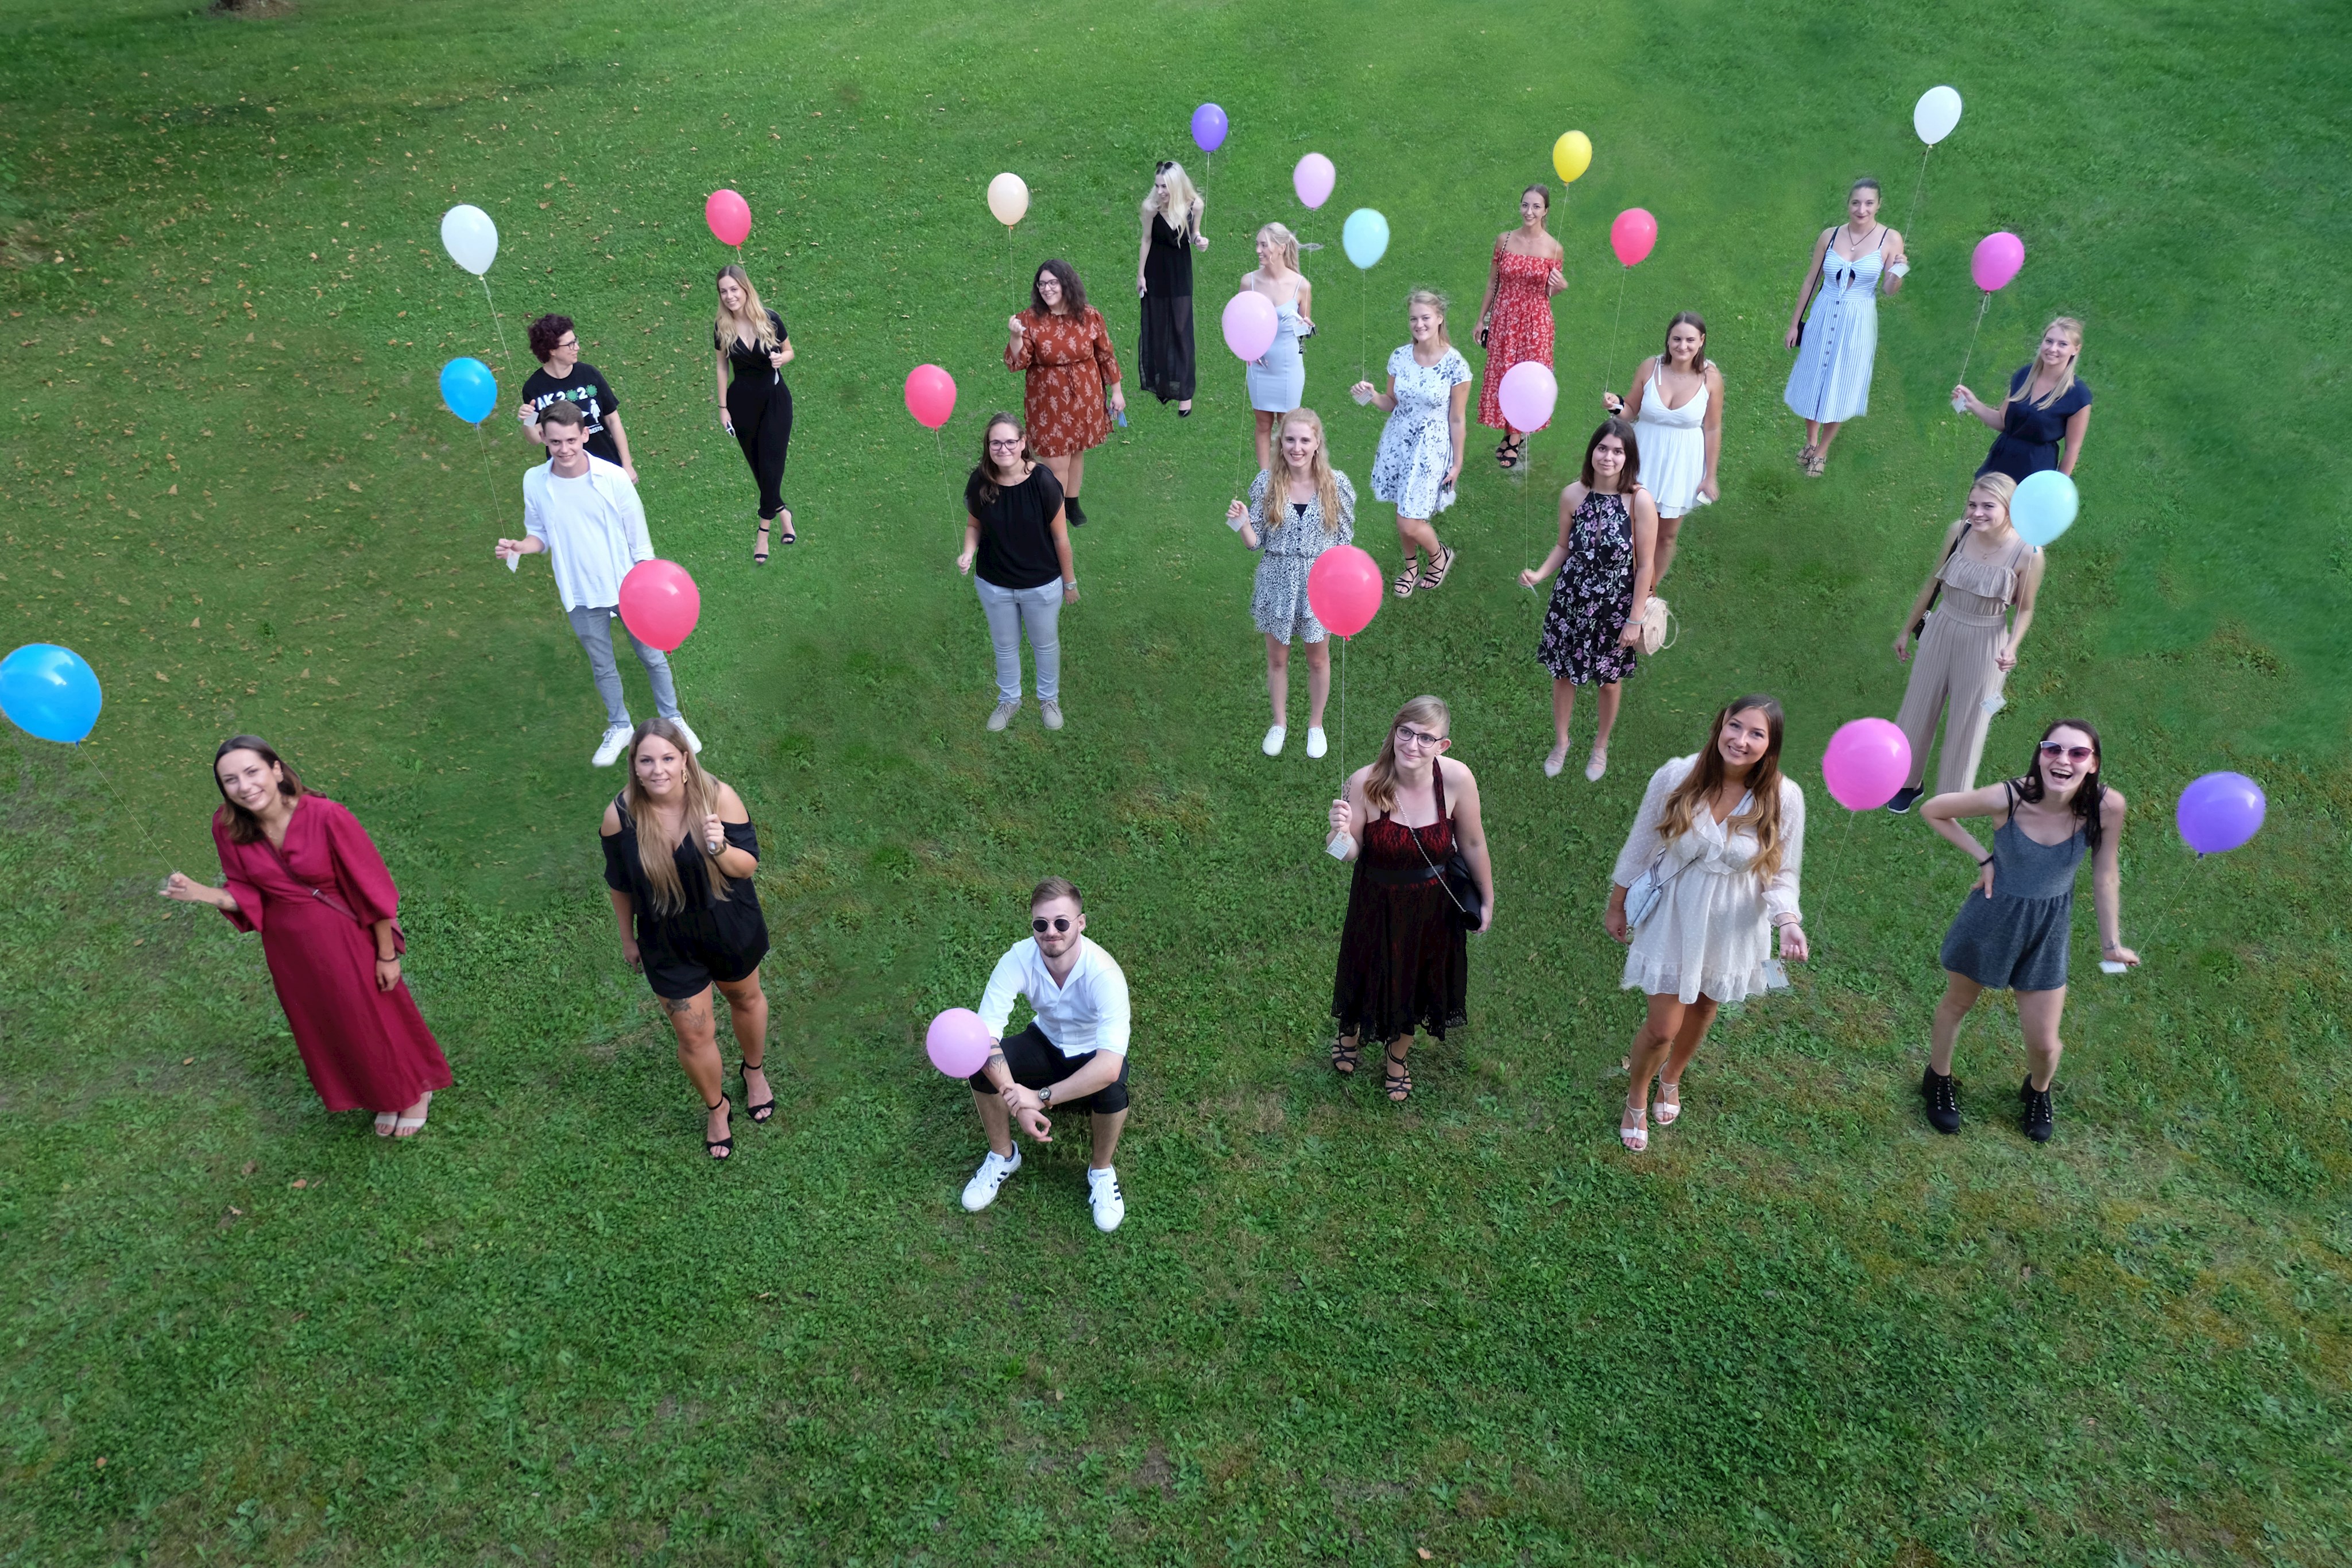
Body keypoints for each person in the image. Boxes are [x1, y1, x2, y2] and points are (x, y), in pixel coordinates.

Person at [162, 737, 451, 1137]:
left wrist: (387, 955)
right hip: (289, 949)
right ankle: (385, 1093)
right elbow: (246, 890)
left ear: (276, 769)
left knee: (374, 1017)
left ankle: (415, 1092)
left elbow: (372, 888)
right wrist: (199, 892)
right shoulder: (226, 826)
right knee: (331, 1024)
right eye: (230, 780)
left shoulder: (328, 816)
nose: (244, 787)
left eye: (252, 772)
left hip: (343, 937)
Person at [1604, 697, 1808, 1152]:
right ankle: (1637, 1098)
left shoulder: (1784, 796)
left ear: (1771, 745)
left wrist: (1788, 921)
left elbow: (1782, 873)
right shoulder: (1677, 775)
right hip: (1675, 912)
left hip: (1733, 921)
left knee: (1705, 1006)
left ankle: (1671, 1077)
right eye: (1735, 726)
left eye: (1757, 734)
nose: (1741, 740)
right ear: (1719, 726)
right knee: (1661, 1027)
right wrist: (1617, 903)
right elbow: (1639, 843)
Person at [1918, 721, 2136, 1143]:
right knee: (1957, 1004)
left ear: (2093, 764)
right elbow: (1934, 809)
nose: (2063, 760)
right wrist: (1984, 858)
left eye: (2078, 753)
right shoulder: (2010, 798)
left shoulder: (2107, 807)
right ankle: (1938, 1079)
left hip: (2048, 932)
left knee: (2045, 1044)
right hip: (1991, 918)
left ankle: (2037, 1091)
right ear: (2040, 754)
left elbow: (2106, 874)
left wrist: (2111, 945)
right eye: (2054, 749)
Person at [599, 720, 771, 1160]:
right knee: (694, 1036)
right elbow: (620, 883)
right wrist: (627, 938)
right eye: (646, 760)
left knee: (746, 1000)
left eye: (667, 758)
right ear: (635, 768)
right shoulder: (619, 818)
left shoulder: (718, 797)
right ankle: (717, 1107)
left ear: (685, 763)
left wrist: (718, 847)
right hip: (667, 941)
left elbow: (747, 865)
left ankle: (754, 1071)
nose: (658, 769)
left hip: (729, 927)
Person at [495, 401, 699, 767]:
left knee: (652, 656)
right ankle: (620, 725)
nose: (565, 449)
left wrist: (652, 588)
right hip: (580, 591)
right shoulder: (534, 481)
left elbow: (640, 539)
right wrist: (520, 547)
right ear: (544, 438)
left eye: (571, 440)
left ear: (586, 434)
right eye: (555, 442)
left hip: (630, 589)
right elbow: (539, 534)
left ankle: (674, 719)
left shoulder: (613, 477)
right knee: (602, 665)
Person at [1325, 696, 1496, 1104]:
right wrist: (1339, 833)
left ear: (1443, 745)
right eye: (1405, 731)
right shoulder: (1365, 781)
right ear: (1394, 731)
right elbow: (1347, 855)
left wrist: (1486, 897)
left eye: (1425, 738)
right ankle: (1349, 1034)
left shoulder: (1457, 780)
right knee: (1365, 972)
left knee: (1419, 983)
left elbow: (1472, 841)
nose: (1412, 744)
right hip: (1375, 902)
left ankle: (1397, 1059)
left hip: (1432, 909)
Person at [959, 878, 1132, 1233]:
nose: (1051, 932)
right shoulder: (1018, 959)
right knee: (980, 1064)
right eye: (1041, 924)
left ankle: (1101, 1172)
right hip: (1045, 1041)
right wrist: (1016, 1100)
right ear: (1033, 925)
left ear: (1080, 923)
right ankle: (1003, 1157)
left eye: (1062, 923)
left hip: (1090, 1055)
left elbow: (1110, 1065)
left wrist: (1038, 1098)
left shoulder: (1105, 974)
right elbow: (984, 1035)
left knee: (1112, 1090)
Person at [1886, 473, 2045, 814]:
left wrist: (2012, 646)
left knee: (1971, 718)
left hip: (1986, 639)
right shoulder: (1958, 531)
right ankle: (1906, 782)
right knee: (1917, 704)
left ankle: (1953, 797)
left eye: (1989, 506)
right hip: (1942, 626)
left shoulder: (2029, 553)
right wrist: (1906, 630)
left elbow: (2026, 608)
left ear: (2009, 508)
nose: (1978, 513)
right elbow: (1933, 584)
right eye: (1973, 504)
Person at [1520, 419, 1659, 782]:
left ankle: (1600, 746)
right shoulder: (1573, 495)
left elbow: (1645, 566)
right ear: (1592, 451)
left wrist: (1634, 618)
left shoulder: (1639, 501)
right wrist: (1539, 573)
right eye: (1602, 448)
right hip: (1571, 600)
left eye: (1617, 451)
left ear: (1628, 457)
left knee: (1609, 681)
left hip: (1615, 605)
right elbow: (1564, 546)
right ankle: (1562, 742)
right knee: (1563, 674)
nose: (1608, 457)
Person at [1222, 408, 1356, 758]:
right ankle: (1279, 723)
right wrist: (1242, 525)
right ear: (1280, 444)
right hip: (1277, 582)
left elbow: (1344, 547)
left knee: (1318, 660)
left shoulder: (1336, 485)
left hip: (1319, 584)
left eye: (1304, 440)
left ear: (1317, 444)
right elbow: (1256, 544)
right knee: (1277, 659)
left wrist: (1345, 605)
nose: (1297, 447)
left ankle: (1316, 725)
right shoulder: (1267, 483)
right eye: (1289, 440)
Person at [958, 413, 1077, 733]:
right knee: (1005, 646)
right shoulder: (979, 481)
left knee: (1045, 644)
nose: (1003, 448)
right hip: (994, 585)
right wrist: (969, 552)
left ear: (1023, 443)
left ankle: (1048, 700)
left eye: (1011, 441)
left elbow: (1060, 537)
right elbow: (973, 526)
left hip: (1041, 585)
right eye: (996, 442)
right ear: (988, 446)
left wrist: (1070, 583)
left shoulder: (1043, 481)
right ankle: (1010, 700)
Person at [1782, 177, 1906, 477]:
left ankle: (1822, 452)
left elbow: (1890, 289)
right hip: (1824, 312)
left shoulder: (1890, 239)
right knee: (1814, 375)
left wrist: (1899, 270)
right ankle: (1811, 441)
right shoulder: (1830, 235)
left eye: (1868, 203)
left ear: (1878, 205)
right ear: (1848, 204)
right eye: (1855, 203)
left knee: (1841, 381)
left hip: (1857, 318)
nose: (1861, 209)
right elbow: (1811, 280)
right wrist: (1795, 324)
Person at [1353, 291, 1471, 599]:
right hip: (1398, 443)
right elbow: (1391, 402)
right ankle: (1411, 566)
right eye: (1414, 319)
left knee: (1409, 519)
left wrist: (1457, 462)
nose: (1419, 324)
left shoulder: (1456, 365)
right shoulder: (1400, 356)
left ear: (1439, 318)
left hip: (1430, 448)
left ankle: (1438, 556)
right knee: (1401, 509)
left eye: (1425, 318)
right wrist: (1369, 395)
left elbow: (1457, 419)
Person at [1603, 311, 1721, 584]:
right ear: (1668, 340)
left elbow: (1713, 428)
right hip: (1644, 456)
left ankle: (1648, 591)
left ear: (1702, 341)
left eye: (1690, 340)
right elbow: (1630, 410)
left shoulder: (1711, 377)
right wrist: (1615, 406)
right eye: (1676, 339)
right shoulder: (1650, 368)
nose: (1683, 346)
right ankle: (1620, 583)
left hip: (1682, 464)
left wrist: (1710, 477)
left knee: (1666, 535)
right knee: (1630, 527)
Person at [1007, 260, 1124, 528]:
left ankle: (1072, 503)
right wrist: (1015, 337)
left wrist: (1116, 391)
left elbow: (1105, 354)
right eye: (1042, 284)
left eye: (1052, 283)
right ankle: (1054, 514)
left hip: (1086, 397)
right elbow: (1017, 362)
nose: (1046, 289)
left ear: (1066, 284)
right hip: (1048, 401)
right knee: (1056, 460)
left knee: (1076, 451)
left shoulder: (1089, 315)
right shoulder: (1028, 320)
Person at [1475, 185, 1568, 471]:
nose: (1529, 212)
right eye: (1525, 205)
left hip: (1535, 322)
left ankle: (1514, 438)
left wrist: (1562, 287)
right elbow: (1493, 283)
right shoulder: (1504, 241)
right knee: (1505, 374)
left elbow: (1549, 291)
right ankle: (1510, 432)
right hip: (1504, 319)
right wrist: (1481, 319)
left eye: (1536, 207)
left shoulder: (1554, 248)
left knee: (1526, 375)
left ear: (1546, 211)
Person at [711, 263, 795, 558]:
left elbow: (789, 350)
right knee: (760, 469)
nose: (730, 296)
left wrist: (781, 361)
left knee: (772, 465)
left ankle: (763, 533)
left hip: (775, 401)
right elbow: (722, 366)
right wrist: (723, 408)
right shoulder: (722, 327)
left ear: (745, 289)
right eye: (724, 292)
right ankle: (784, 514)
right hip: (741, 405)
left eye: (734, 289)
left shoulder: (769, 319)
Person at [1956, 317, 2093, 481]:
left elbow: (2072, 449)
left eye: (2062, 344)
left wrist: (2058, 486)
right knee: (1982, 507)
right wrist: (1973, 403)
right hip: (1999, 464)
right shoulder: (2024, 375)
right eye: (2049, 341)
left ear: (2076, 350)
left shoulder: (2078, 395)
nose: (2052, 348)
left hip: (2035, 472)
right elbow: (2003, 422)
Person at [517, 312, 636, 480]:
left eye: (575, 341)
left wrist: (627, 465)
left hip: (608, 467)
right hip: (567, 477)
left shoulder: (590, 375)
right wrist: (527, 420)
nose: (577, 347)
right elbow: (536, 438)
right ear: (552, 350)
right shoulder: (534, 388)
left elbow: (613, 420)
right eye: (571, 344)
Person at [1136, 160, 1208, 415]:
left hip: (1179, 273)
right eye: (1157, 186)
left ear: (1176, 186)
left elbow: (1193, 235)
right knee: (1157, 326)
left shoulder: (1194, 206)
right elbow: (1146, 240)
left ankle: (1185, 394)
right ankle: (1163, 385)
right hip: (1155, 272)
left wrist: (1199, 240)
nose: (1160, 191)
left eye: (1165, 187)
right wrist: (1141, 275)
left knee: (1181, 329)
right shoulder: (1151, 209)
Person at [1241, 223, 1314, 471]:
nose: (1258, 250)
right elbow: (1240, 325)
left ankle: (1288, 478)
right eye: (1258, 245)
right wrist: (1249, 351)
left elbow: (1303, 334)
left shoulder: (1301, 286)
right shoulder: (1248, 282)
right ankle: (1265, 479)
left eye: (1264, 245)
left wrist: (1307, 326)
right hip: (1260, 367)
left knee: (1288, 427)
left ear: (1281, 248)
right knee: (1262, 425)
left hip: (1288, 368)